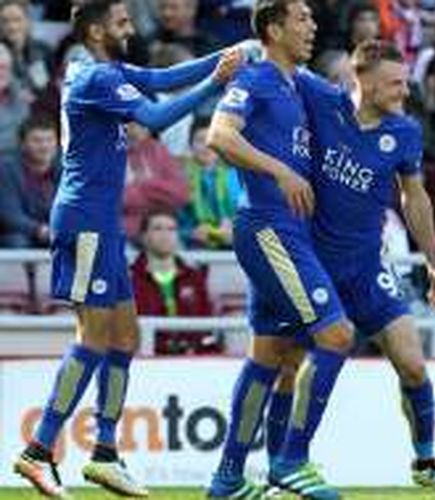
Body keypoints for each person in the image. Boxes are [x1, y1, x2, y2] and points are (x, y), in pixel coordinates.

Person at [12, 0, 243, 496]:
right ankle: (38, 451)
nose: (130, 28)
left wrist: (226, 55)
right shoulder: (96, 78)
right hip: (85, 220)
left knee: (124, 339)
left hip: (102, 221)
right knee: (94, 337)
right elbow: (157, 113)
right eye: (120, 22)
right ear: (97, 30)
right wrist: (216, 82)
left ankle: (106, 453)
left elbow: (161, 79)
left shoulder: (99, 71)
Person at [282, 39, 435, 498]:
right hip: (314, 262)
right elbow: (279, 63)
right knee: (294, 364)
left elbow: (414, 196)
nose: (403, 92)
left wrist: (434, 263)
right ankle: (288, 464)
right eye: (393, 83)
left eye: (405, 83)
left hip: (368, 265)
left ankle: (426, 462)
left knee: (413, 365)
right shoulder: (322, 101)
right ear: (359, 79)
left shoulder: (404, 132)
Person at [205, 1, 354, 498]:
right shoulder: (256, 79)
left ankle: (229, 477)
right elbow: (220, 135)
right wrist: (279, 170)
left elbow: (345, 100)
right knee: (334, 336)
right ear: (273, 28)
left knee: (275, 355)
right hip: (268, 227)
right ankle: (291, 461)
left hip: (291, 231)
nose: (313, 26)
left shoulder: (296, 82)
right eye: (302, 19)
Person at [130, 211, 217, 355]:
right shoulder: (129, 279)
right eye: (157, 228)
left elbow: (206, 324)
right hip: (145, 357)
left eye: (171, 229)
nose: (165, 234)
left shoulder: (194, 278)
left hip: (191, 359)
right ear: (144, 236)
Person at [178, 118, 241, 249]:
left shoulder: (235, 176)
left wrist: (235, 228)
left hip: (232, 246)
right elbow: (176, 223)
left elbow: (245, 213)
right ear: (190, 145)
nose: (207, 146)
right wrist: (191, 233)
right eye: (200, 140)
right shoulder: (179, 177)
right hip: (193, 248)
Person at [0, 115, 59, 248]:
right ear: (22, 144)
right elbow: (10, 214)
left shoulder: (66, 168)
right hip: (20, 232)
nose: (44, 146)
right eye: (37, 141)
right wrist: (39, 230)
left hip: (54, 230)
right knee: (16, 240)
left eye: (50, 140)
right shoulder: (6, 168)